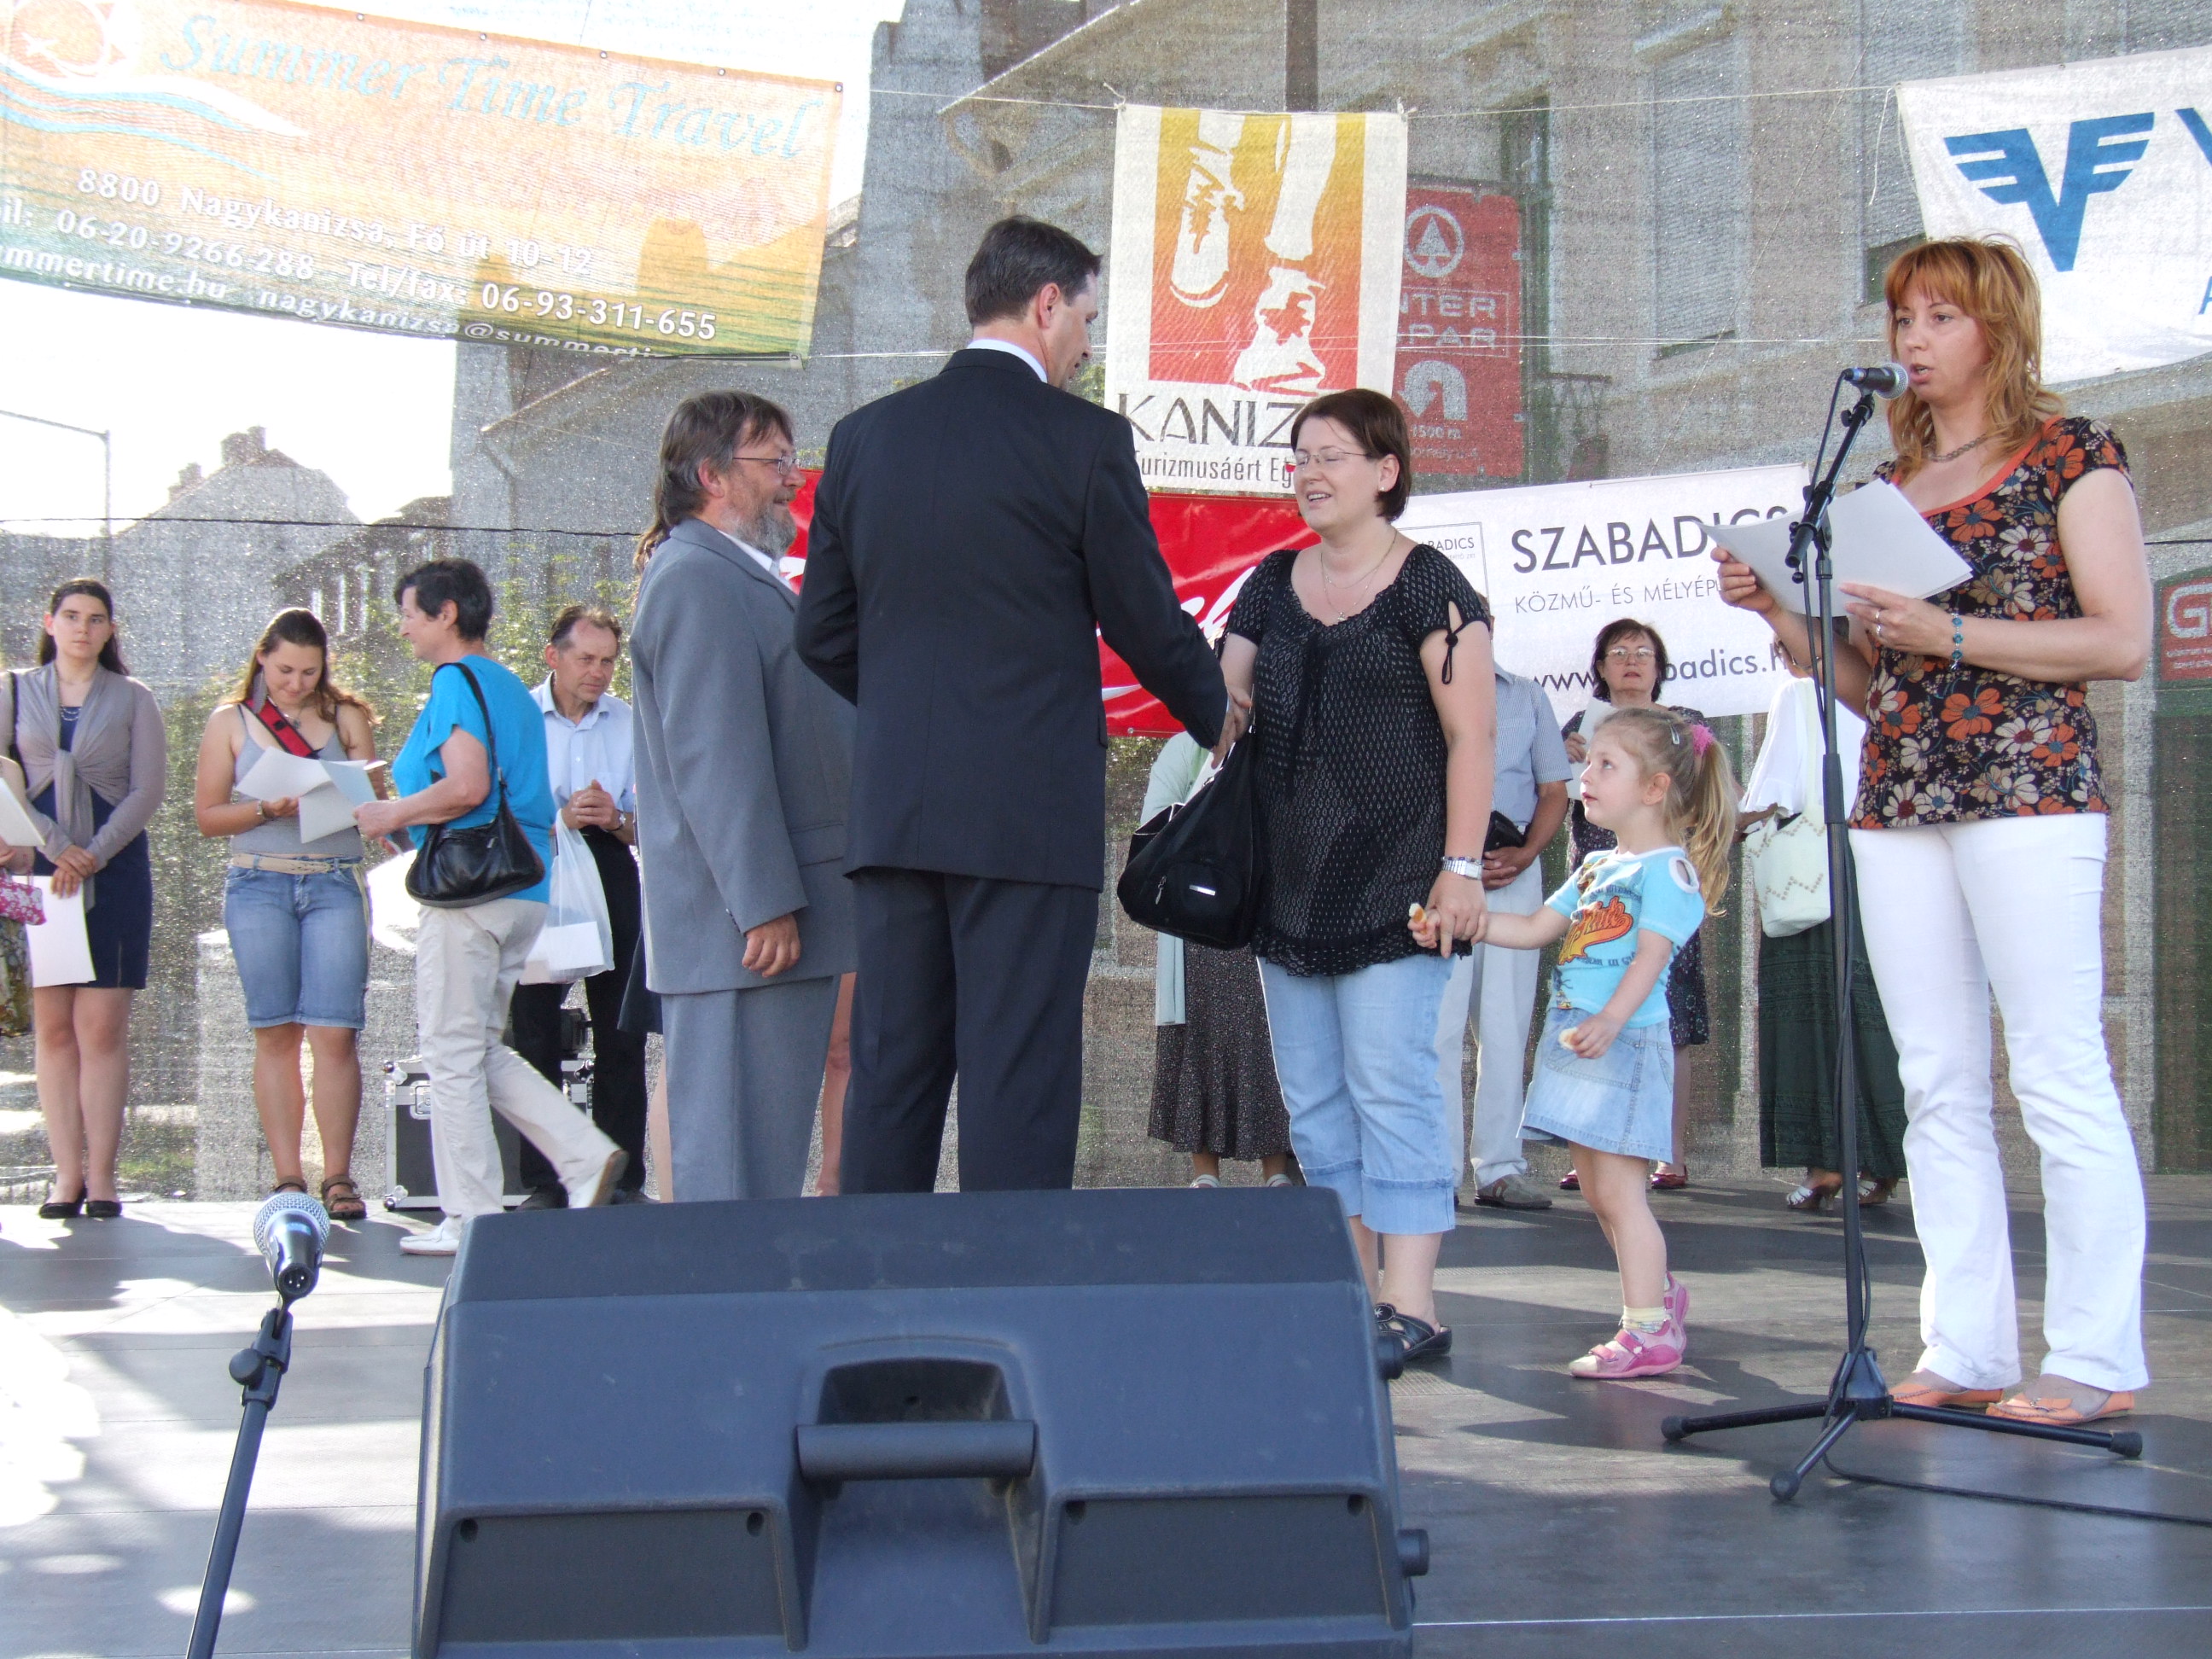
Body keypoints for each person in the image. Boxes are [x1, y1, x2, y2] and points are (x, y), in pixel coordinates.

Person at [1716, 236, 2153, 1426]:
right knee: (1935, 1080)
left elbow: (2120, 640)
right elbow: (1872, 687)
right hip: (1902, 795)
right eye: (1903, 318)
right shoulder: (1885, 492)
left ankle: (2097, 1357)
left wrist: (1950, 632)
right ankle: (1965, 1342)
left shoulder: (2072, 454)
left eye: (1939, 317)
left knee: (2056, 1068)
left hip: (2030, 789)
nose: (1912, 339)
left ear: (1996, 330)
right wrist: (1783, 616)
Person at [795, 216, 1228, 1193]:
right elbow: (1147, 622)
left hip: (897, 814)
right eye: (1086, 320)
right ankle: (1008, 1280)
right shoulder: (1084, 440)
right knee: (1018, 1081)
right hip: (1027, 817)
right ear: (1046, 304)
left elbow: (820, 633)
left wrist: (909, 712)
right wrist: (1227, 727)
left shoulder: (863, 439)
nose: (1085, 344)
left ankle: (879, 1280)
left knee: (891, 1079)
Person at [1223, 388, 1496, 1365]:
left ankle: (1412, 1306)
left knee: (1392, 1086)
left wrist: (1462, 868)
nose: (1310, 472)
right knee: (1313, 1102)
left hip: (1402, 883)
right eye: (1301, 455)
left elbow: (1474, 738)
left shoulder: (1431, 585)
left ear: (1386, 472)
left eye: (1331, 454)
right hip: (1286, 881)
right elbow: (1226, 701)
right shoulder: (1268, 582)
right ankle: (1352, 1294)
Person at [355, 560, 626, 1256]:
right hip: (523, 889)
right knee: (476, 1046)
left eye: (410, 613)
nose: (404, 628)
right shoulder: (506, 686)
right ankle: (582, 1155)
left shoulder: (456, 681)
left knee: (450, 1051)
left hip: (471, 891)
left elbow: (467, 787)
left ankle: (471, 1215)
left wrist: (392, 811)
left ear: (446, 613)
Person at [630, 391, 857, 1202]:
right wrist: (763, 903)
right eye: (777, 461)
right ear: (712, 476)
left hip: (761, 931)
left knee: (755, 1172)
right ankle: (719, 1291)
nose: (794, 478)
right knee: (730, 1177)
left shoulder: (730, 575)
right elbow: (714, 757)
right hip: (742, 935)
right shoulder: (697, 578)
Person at [1483, 707, 1738, 1378]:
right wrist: (1470, 922)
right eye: (1588, 762)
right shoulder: (1597, 865)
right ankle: (1657, 1293)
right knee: (1599, 1196)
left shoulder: (1668, 871)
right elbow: (1535, 928)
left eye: (1606, 765)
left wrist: (1612, 1021)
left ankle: (1647, 1330)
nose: (1586, 776)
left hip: (1622, 1049)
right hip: (1579, 1045)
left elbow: (1652, 957)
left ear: (1654, 788)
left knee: (1623, 1197)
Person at [191, 608, 379, 1222]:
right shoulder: (230, 721)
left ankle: (339, 1177)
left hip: (332, 880)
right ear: (262, 659)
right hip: (258, 882)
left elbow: (374, 802)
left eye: (309, 672)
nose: (296, 683)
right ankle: (288, 1177)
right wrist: (265, 809)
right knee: (274, 1031)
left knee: (335, 1030)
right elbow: (207, 816)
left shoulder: (346, 716)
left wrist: (353, 795)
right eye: (285, 671)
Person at [4, 580, 165, 1222]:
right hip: (38, 872)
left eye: (96, 619)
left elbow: (147, 791)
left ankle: (102, 1178)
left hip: (115, 870)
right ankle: (64, 1175)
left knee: (101, 1029)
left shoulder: (134, 697)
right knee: (52, 1028)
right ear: (49, 622)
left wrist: (91, 853)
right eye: (71, 616)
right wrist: (55, 846)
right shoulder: (13, 689)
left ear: (110, 630)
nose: (82, 628)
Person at [1738, 651, 1907, 1211]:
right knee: (1877, 1014)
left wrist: (1719, 821)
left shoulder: (1798, 694)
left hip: (1818, 871)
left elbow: (1773, 795)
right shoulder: (1892, 686)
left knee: (1812, 1017)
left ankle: (1826, 1163)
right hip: (1889, 861)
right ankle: (1883, 1163)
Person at [508, 604, 649, 1208]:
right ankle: (546, 1181)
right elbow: (495, 811)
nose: (598, 672)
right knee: (535, 1027)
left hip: (609, 864)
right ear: (553, 656)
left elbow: (656, 825)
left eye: (608, 662)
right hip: (539, 866)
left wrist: (614, 819)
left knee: (622, 1028)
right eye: (586, 659)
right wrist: (558, 818)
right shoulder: (518, 717)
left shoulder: (629, 721)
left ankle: (622, 1179)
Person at [1559, 619, 1708, 1190]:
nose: (1631, 660)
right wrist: (1563, 759)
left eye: (1643, 651)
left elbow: (1708, 797)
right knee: (1596, 1008)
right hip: (1600, 890)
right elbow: (1554, 794)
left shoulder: (1685, 726)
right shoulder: (1579, 727)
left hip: (1662, 882)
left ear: (1659, 666)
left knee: (1670, 1016)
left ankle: (1669, 1151)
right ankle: (1593, 1151)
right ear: (1600, 666)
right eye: (1619, 651)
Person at [1141, 732, 1294, 1189]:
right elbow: (1153, 826)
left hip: (1262, 919)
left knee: (1269, 1041)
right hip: (1198, 922)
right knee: (1199, 1041)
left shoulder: (1280, 740)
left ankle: (1277, 1173)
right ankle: (1205, 1175)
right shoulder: (1184, 749)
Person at [1452, 664, 1571, 1210]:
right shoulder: (1411, 683)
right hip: (1436, 876)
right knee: (1434, 1031)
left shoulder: (1526, 695)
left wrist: (1526, 854)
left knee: (1505, 1026)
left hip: (1510, 869)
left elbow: (1554, 789)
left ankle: (1499, 1167)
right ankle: (1437, 1170)